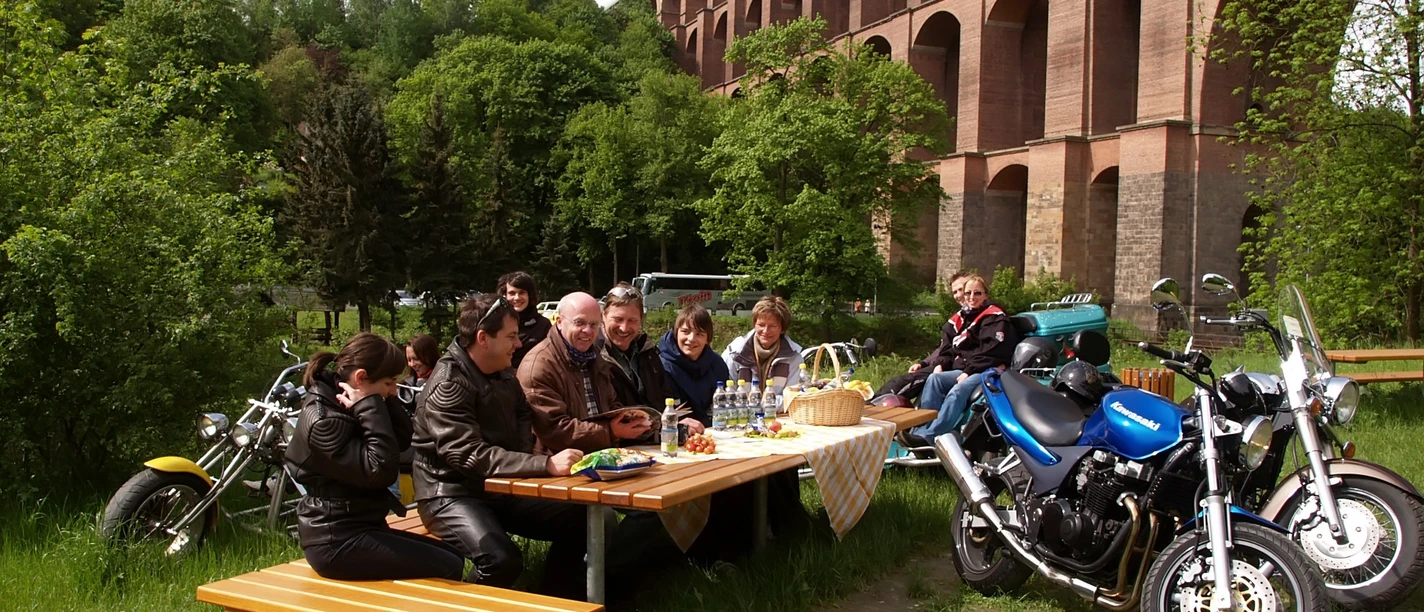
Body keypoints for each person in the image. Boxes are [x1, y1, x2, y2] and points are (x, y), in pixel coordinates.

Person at [411, 294, 589, 598]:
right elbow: (467, 456)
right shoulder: (448, 383)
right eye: (510, 337)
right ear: (483, 338)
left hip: (500, 487)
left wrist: (519, 460)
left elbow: (521, 411)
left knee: (583, 518)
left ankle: (557, 601)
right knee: (500, 560)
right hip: (450, 494)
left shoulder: (501, 370)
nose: (518, 344)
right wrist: (542, 465)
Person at [285, 332, 465, 582]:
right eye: (390, 382)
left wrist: (378, 401)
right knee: (447, 566)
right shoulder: (325, 421)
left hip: (360, 526)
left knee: (454, 555)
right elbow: (380, 472)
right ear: (361, 378)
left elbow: (402, 439)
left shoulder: (349, 399)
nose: (394, 390)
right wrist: (370, 405)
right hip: (335, 541)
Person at [519, 292, 652, 454]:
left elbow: (611, 404)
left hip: (603, 456)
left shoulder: (594, 356)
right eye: (579, 323)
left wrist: (631, 420)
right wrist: (611, 430)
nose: (587, 331)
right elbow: (554, 430)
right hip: (559, 467)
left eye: (594, 324)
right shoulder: (538, 366)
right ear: (559, 322)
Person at [906, 273, 1018, 445]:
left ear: (986, 295)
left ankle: (930, 437)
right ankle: (922, 429)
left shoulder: (995, 317)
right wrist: (940, 364)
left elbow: (992, 351)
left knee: (958, 390)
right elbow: (952, 347)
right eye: (968, 293)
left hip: (986, 369)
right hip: (966, 367)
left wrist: (968, 371)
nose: (972, 297)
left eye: (977, 293)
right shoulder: (964, 317)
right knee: (934, 379)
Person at [875, 271, 970, 398]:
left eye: (961, 289)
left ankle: (871, 409)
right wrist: (924, 363)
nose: (958, 295)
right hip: (945, 364)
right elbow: (943, 348)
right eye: (954, 292)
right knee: (901, 384)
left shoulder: (986, 317)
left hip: (955, 368)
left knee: (900, 385)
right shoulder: (959, 318)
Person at [600, 283, 674, 410]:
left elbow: (665, 396)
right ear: (603, 316)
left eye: (632, 321)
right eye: (618, 319)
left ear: (641, 320)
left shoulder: (648, 351)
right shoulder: (593, 356)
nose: (624, 328)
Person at [658, 304, 728, 430]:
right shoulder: (659, 366)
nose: (691, 339)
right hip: (673, 435)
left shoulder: (717, 364)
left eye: (699, 334)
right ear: (676, 333)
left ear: (708, 338)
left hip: (713, 433)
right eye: (685, 331)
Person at [721, 296, 803, 391]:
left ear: (782, 329)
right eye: (761, 325)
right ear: (754, 324)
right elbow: (726, 392)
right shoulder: (734, 353)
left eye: (773, 326)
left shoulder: (794, 357)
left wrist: (765, 404)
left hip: (778, 406)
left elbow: (791, 397)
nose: (766, 331)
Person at [496, 271, 550, 369]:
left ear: (530, 295)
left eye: (522, 293)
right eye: (512, 293)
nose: (517, 298)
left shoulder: (543, 325)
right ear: (504, 296)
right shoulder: (496, 322)